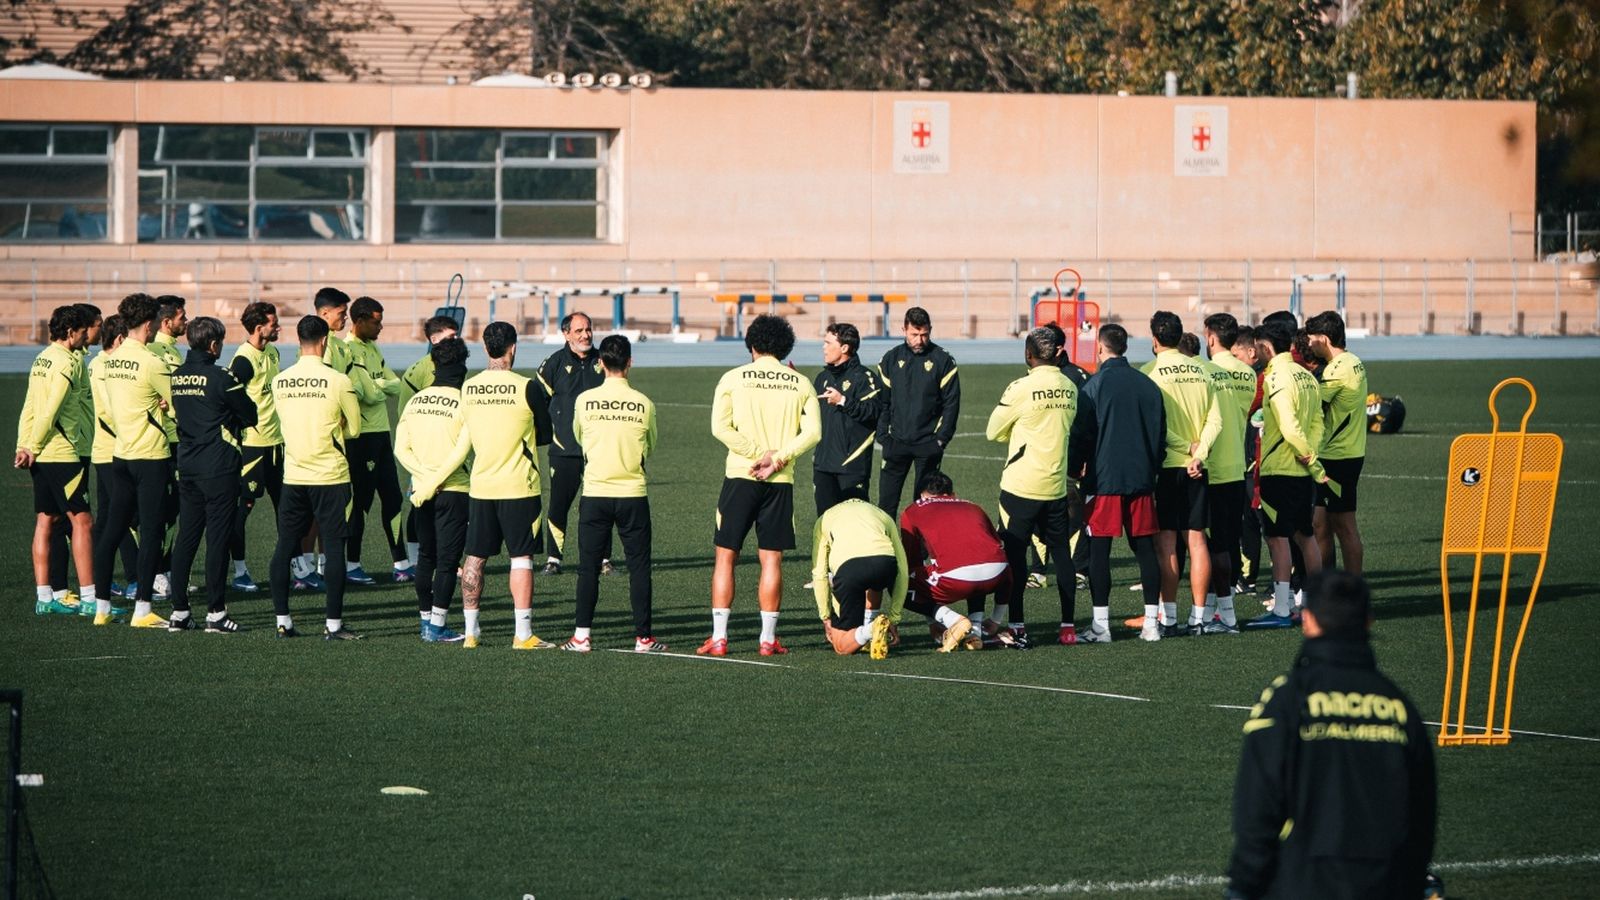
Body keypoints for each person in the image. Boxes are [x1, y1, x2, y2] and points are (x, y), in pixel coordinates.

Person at [1227, 570, 1435, 899]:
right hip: (1386, 882)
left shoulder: (1285, 699)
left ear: (1307, 621)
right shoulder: (1399, 706)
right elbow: (1421, 813)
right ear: (1368, 622)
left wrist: (1243, 883)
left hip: (1303, 881)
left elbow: (1257, 804)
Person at [411, 322, 556, 651]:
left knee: (475, 558)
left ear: (485, 349)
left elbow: (465, 439)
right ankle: (522, 634)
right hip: (519, 486)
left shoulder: (469, 389)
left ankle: (472, 633)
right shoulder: (527, 387)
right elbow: (545, 436)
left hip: (480, 487)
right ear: (513, 348)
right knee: (521, 558)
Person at [700, 313, 821, 657]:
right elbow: (813, 433)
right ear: (785, 347)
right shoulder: (800, 383)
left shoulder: (733, 378)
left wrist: (757, 454)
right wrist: (778, 458)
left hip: (741, 476)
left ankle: (720, 638)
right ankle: (767, 640)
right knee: (772, 561)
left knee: (726, 557)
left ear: (751, 345)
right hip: (779, 481)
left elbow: (720, 429)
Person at [562, 334, 668, 653]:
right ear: (630, 362)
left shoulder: (584, 401)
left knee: (588, 567)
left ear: (600, 363)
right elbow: (651, 444)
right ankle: (643, 637)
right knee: (639, 566)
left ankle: (582, 636)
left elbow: (580, 437)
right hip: (632, 492)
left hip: (595, 491)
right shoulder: (644, 403)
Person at [1067, 324, 1165, 643]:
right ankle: (1152, 624)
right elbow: (1160, 434)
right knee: (1145, 549)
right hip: (1141, 479)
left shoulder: (1094, 385)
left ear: (1100, 347)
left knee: (1099, 551)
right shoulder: (1147, 385)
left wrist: (1074, 468)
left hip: (1104, 478)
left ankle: (1101, 626)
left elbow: (1081, 434)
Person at [268, 315, 363, 640]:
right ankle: (333, 625)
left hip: (293, 475)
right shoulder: (338, 380)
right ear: (325, 341)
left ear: (299, 341)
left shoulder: (281, 380)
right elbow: (354, 428)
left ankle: (284, 621)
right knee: (334, 548)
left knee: (284, 547)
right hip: (330, 476)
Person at [984, 327, 1079, 648]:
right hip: (1055, 486)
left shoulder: (1020, 388)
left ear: (1028, 355)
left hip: (1021, 485)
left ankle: (1018, 626)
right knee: (1062, 555)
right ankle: (1068, 628)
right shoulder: (1069, 386)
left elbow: (993, 431)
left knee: (1015, 557)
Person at [165, 316, 256, 633]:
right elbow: (250, 413)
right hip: (218, 467)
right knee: (217, 539)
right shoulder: (221, 377)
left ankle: (179, 612)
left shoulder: (177, 376)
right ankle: (216, 614)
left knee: (187, 538)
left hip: (187, 465)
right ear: (214, 345)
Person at [91, 293, 175, 628]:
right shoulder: (153, 362)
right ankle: (142, 610)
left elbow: (111, 408)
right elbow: (177, 406)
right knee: (152, 531)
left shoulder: (110, 361)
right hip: (150, 456)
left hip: (120, 455)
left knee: (111, 529)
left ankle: (101, 609)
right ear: (150, 321)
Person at [1141, 311, 1222, 638]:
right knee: (1197, 538)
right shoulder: (1202, 371)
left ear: (1155, 339)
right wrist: (1200, 454)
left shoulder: (1151, 373)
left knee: (1167, 544)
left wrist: (1187, 449)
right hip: (1198, 469)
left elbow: (1157, 428)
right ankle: (1199, 617)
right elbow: (1215, 421)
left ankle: (1170, 617)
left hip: (1167, 467)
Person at [15, 304, 95, 617]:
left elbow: (29, 406)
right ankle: (90, 598)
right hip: (61, 452)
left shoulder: (42, 358)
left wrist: (24, 445)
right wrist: (34, 444)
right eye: (83, 330)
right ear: (72, 331)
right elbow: (50, 410)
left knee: (46, 520)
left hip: (40, 454)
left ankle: (44, 598)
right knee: (83, 521)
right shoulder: (65, 362)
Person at [1246, 322, 1326, 629]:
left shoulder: (1276, 376)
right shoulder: (1306, 375)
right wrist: (1311, 455)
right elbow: (1317, 421)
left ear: (1267, 348)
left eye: (1258, 348)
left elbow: (1289, 425)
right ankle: (1314, 606)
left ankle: (1281, 609)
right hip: (1301, 470)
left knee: (1277, 538)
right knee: (1305, 536)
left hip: (1280, 468)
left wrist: (1305, 454)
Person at [393, 336, 471, 644]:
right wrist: (437, 479)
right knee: (448, 561)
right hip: (453, 489)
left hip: (420, 491)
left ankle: (425, 621)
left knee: (426, 556)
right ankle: (437, 625)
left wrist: (424, 480)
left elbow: (401, 448)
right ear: (462, 366)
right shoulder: (465, 401)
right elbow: (461, 452)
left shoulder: (416, 400)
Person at [898, 471, 1010, 653]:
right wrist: (996, 620)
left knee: (899, 583)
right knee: (978, 558)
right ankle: (975, 631)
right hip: (999, 574)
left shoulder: (913, 509)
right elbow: (997, 550)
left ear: (922, 495)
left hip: (956, 580)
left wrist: (932, 619)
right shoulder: (973, 506)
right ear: (952, 493)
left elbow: (911, 560)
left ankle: (953, 621)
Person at [341, 296, 411, 584]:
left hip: (382, 435)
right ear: (359, 322)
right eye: (376, 321)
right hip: (361, 438)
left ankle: (402, 563)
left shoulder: (373, 348)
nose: (381, 327)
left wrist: (378, 385)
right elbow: (366, 394)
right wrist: (378, 386)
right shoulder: (346, 351)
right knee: (361, 504)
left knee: (393, 499)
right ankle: (351, 564)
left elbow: (395, 384)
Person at [534, 311, 607, 576]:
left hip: (599, 450)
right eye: (579, 331)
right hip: (564, 450)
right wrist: (546, 435)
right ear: (566, 334)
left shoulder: (604, 360)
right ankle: (554, 559)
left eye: (588, 329)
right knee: (559, 505)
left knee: (600, 504)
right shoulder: (553, 364)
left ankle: (603, 559)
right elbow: (536, 402)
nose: (586, 335)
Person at [1200, 313, 1260, 634]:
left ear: (1210, 337)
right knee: (1224, 542)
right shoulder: (1248, 375)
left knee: (1206, 546)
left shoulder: (1207, 371)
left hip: (1208, 466)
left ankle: (1219, 614)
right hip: (1236, 467)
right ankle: (1215, 614)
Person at [394, 314, 462, 575]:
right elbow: (405, 412)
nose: (456, 340)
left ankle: (447, 560)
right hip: (424, 452)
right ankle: (415, 560)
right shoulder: (420, 369)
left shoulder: (454, 362)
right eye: (450, 336)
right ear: (434, 340)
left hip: (448, 446)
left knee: (447, 508)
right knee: (420, 504)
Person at [876, 307, 959, 517]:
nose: (919, 340)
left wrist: (941, 439)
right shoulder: (890, 359)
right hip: (896, 442)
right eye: (914, 334)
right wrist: (883, 437)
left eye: (924, 334)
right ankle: (886, 549)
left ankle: (919, 551)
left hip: (928, 444)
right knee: (886, 505)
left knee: (924, 507)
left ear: (930, 330)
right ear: (903, 329)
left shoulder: (943, 360)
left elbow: (951, 404)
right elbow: (883, 402)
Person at [1305, 311, 1368, 576]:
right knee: (1320, 523)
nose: (1309, 344)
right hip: (1336, 454)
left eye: (1312, 339)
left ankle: (1353, 590)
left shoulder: (1338, 369)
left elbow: (1311, 404)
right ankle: (1327, 584)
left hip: (1339, 457)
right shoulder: (1352, 361)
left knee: (1344, 525)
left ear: (1325, 338)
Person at [227, 301, 283, 593]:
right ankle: (239, 572)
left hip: (278, 445)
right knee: (242, 509)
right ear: (260, 328)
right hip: (253, 448)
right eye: (274, 323)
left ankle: (297, 567)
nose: (278, 327)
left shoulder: (272, 352)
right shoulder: (244, 360)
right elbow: (228, 399)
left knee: (288, 508)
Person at [810, 499, 906, 658]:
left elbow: (819, 573)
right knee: (874, 581)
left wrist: (825, 617)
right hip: (885, 565)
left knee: (841, 646)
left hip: (850, 572)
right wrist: (895, 618)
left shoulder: (825, 517)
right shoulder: (881, 514)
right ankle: (871, 631)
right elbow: (902, 568)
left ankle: (870, 629)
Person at [88, 314, 137, 610]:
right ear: (119, 340)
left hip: (106, 450)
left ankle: (97, 579)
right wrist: (128, 433)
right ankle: (135, 579)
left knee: (107, 516)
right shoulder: (104, 366)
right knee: (122, 515)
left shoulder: (100, 365)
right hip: (112, 450)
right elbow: (108, 412)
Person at [812, 322, 883, 515]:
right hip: (823, 466)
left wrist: (843, 400)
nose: (823, 347)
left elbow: (875, 412)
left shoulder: (865, 378)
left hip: (852, 467)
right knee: (825, 523)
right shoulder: (822, 378)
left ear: (844, 348)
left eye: (828, 343)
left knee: (854, 524)